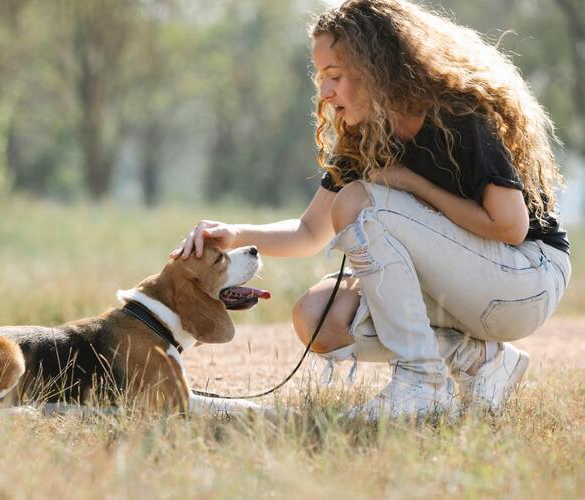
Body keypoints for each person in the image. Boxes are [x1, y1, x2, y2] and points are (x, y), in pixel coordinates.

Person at [170, 0, 570, 420]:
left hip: (526, 281)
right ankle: (480, 361)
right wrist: (234, 234)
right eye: (321, 78)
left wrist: (410, 182)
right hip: (468, 290)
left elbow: (509, 226)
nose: (325, 92)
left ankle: (422, 383)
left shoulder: (457, 112)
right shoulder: (365, 136)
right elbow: (309, 232)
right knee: (318, 317)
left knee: (359, 201)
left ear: (376, 68)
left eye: (335, 76)